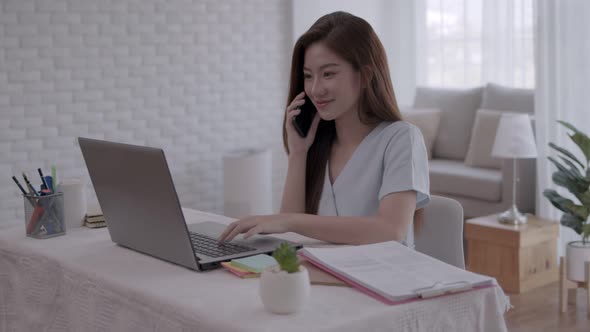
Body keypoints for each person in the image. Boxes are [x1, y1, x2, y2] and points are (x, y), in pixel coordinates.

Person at [219, 11, 429, 246]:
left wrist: (289, 221)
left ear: (366, 75)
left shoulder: (401, 138)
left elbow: (391, 230)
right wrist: (298, 153)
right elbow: (288, 239)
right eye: (308, 76)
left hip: (383, 279)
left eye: (328, 74)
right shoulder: (318, 145)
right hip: (324, 277)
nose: (316, 89)